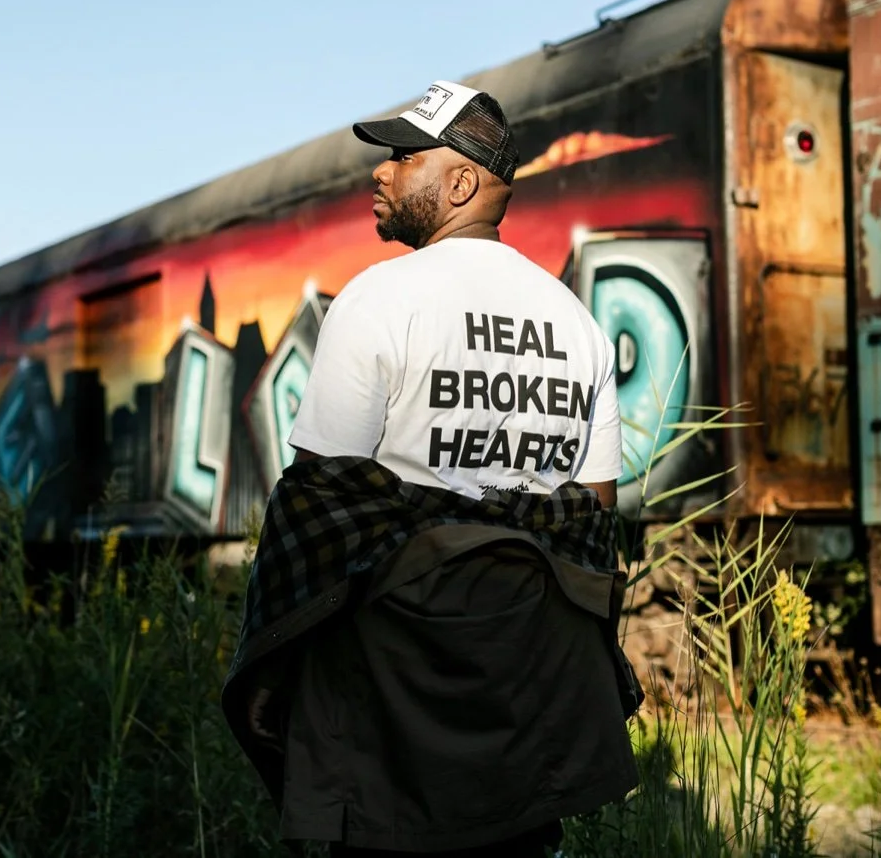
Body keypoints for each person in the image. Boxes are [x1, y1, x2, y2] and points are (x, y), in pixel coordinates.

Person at [220, 80, 641, 857]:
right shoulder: (577, 323)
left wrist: (266, 664)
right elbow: (591, 515)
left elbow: (321, 504)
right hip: (529, 674)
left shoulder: (381, 297)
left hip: (395, 679)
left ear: (460, 182)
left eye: (403, 157)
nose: (379, 173)